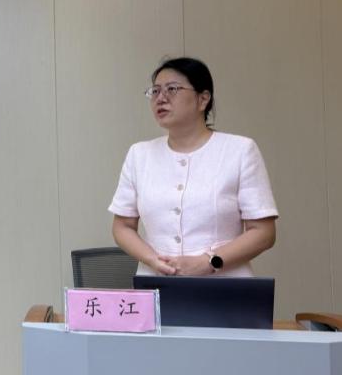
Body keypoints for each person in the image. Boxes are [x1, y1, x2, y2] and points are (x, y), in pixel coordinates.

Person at [109, 57, 277, 277]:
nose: (161, 98)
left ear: (203, 99)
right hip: (157, 282)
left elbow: (264, 233)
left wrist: (209, 261)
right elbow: (122, 226)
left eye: (172, 89)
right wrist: (152, 260)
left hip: (224, 285)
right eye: (155, 91)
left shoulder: (239, 151)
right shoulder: (139, 155)